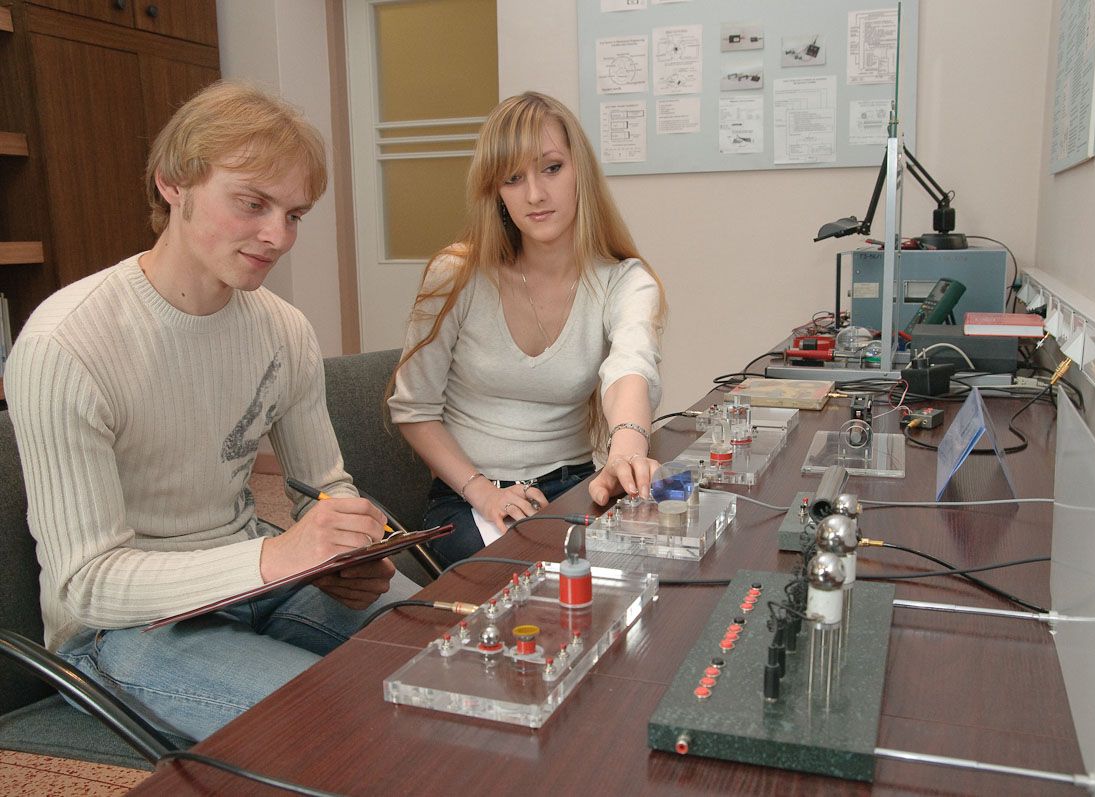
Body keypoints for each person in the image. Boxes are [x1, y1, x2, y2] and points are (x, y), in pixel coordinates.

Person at [5, 81, 419, 742]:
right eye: (252, 204)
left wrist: (346, 546)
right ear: (173, 183)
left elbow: (322, 486)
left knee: (452, 658)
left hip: (255, 577)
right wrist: (275, 558)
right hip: (123, 629)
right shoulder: (67, 345)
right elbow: (86, 585)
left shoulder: (282, 329)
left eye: (294, 214)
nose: (277, 236)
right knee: (344, 725)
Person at [389, 91, 667, 565]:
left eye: (552, 168)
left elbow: (630, 368)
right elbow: (414, 410)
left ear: (581, 171)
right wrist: (485, 494)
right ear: (495, 191)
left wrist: (625, 452)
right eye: (513, 178)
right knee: (528, 583)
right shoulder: (454, 275)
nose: (535, 194)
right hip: (470, 496)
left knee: (636, 568)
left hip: (573, 485)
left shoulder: (625, 281)